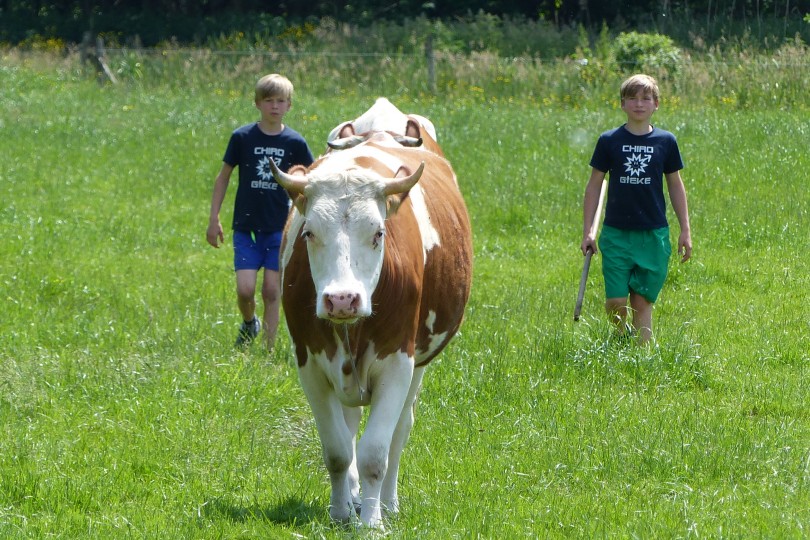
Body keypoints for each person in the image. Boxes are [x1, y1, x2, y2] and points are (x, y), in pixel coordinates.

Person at [580, 73, 692, 345]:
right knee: (616, 301)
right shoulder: (609, 140)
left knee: (642, 301)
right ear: (622, 104)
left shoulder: (666, 141)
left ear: (656, 104)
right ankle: (621, 336)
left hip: (653, 234)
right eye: (632, 98)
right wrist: (588, 232)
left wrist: (685, 229)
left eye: (646, 98)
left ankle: (642, 356)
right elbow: (594, 185)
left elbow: (675, 185)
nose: (639, 104)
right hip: (616, 234)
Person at [207, 73, 314, 350]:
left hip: (279, 228)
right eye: (268, 100)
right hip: (246, 227)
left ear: (289, 105)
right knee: (245, 290)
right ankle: (249, 322)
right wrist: (214, 218)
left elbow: (310, 180)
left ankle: (268, 348)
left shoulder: (295, 142)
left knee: (271, 290)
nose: (274, 106)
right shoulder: (242, 137)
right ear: (257, 103)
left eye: (280, 101)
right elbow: (223, 177)